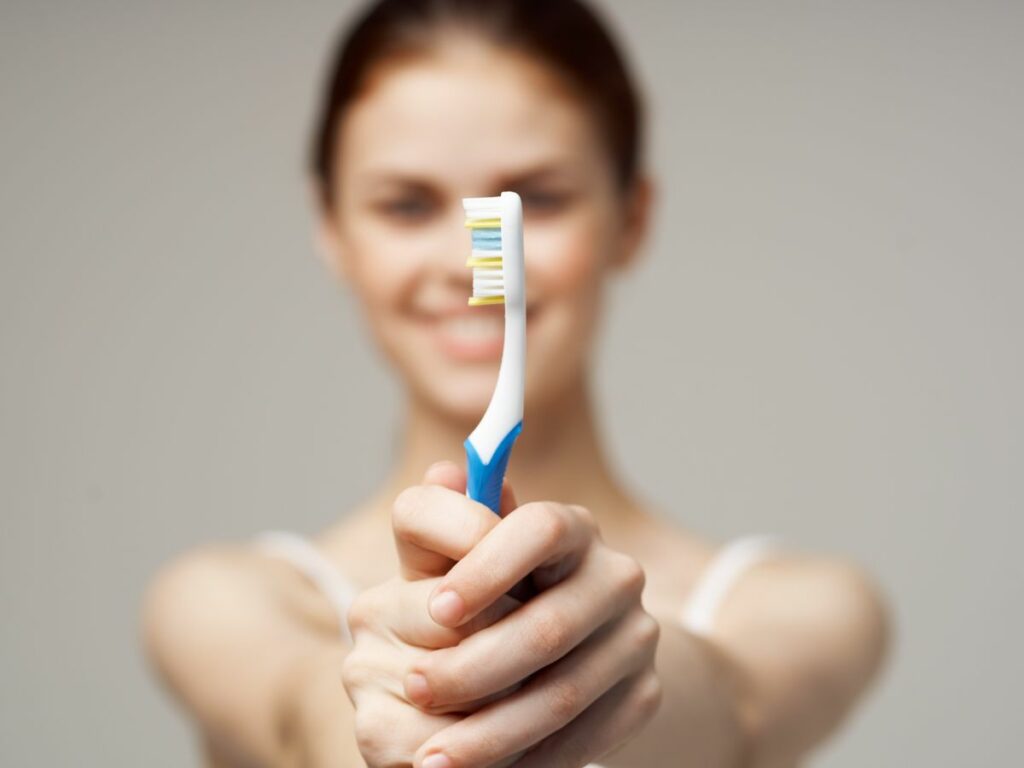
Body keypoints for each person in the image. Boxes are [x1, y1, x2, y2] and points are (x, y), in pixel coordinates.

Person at [141, 1, 891, 766]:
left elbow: (737, 711)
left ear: (630, 219)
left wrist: (609, 672)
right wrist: (406, 703)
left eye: (538, 198)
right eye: (405, 205)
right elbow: (299, 723)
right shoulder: (229, 601)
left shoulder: (800, 604)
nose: (467, 267)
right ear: (333, 230)